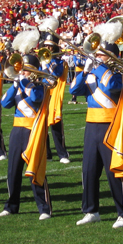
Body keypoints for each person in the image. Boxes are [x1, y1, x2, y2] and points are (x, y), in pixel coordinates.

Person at [69, 23, 123, 228]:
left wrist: (97, 67)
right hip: (91, 125)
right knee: (89, 170)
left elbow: (112, 86)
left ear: (112, 56)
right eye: (98, 54)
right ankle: (91, 210)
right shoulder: (93, 71)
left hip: (111, 125)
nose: (97, 57)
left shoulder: (118, 73)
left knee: (113, 171)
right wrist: (84, 71)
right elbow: (74, 88)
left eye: (102, 54)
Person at [0, 53, 52, 219]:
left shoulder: (40, 85)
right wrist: (14, 86)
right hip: (17, 131)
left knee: (35, 169)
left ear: (34, 71)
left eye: (26, 69)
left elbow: (36, 98)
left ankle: (44, 208)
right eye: (22, 69)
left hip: (33, 130)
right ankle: (11, 206)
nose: (22, 72)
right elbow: (5, 103)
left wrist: (23, 82)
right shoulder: (20, 84)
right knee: (13, 170)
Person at [40, 31, 70, 163]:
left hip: (54, 95)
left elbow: (57, 73)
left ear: (55, 47)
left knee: (56, 126)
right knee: (42, 125)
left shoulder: (59, 62)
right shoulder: (41, 59)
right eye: (46, 46)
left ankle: (62, 154)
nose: (48, 48)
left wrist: (48, 60)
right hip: (42, 93)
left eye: (50, 46)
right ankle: (46, 154)